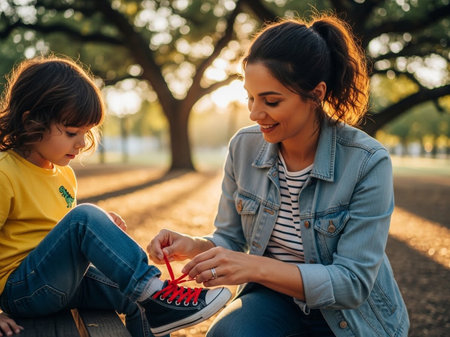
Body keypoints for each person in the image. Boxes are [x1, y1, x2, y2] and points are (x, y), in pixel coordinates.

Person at [148, 14, 410, 337]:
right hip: (273, 300)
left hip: (349, 317)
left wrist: (257, 267)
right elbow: (229, 240)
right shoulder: (244, 148)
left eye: (271, 101)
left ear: (316, 94)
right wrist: (192, 245)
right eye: (250, 97)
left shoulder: (368, 162)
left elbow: (352, 283)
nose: (255, 114)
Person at [0, 56, 231, 337]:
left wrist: (97, 230)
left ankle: (156, 301)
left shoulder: (63, 174)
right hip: (21, 290)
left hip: (63, 283)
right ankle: (154, 290)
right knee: (85, 217)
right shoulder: (5, 173)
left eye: (86, 132)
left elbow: (56, 234)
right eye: (72, 132)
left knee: (137, 298)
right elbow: (72, 226)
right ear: (30, 122)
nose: (82, 143)